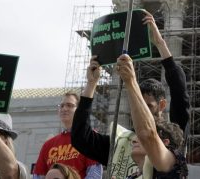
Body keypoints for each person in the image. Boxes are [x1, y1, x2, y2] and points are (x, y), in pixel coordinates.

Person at [71, 11, 189, 176]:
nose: (142, 110)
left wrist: (160, 43)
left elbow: (179, 93)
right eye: (138, 104)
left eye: (148, 106)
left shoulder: (173, 139)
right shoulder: (125, 141)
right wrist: (91, 85)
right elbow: (80, 138)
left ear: (162, 105)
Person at [115, 54, 187, 179]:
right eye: (137, 137)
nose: (134, 140)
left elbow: (147, 134)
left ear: (165, 143)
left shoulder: (173, 164)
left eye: (141, 138)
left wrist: (131, 82)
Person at [33, 93, 101, 179]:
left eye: (69, 105)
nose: (64, 108)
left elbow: (94, 174)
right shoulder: (48, 145)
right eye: (61, 106)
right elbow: (38, 176)